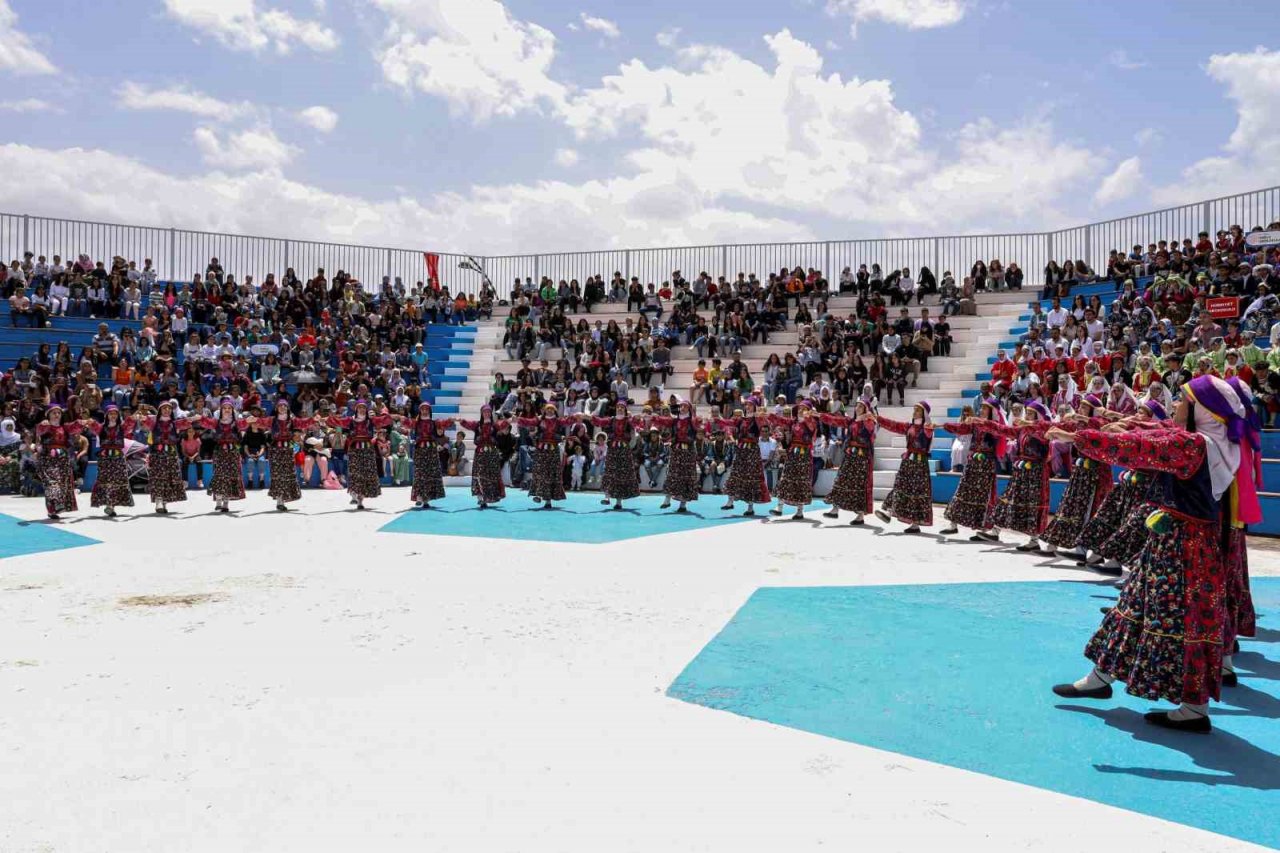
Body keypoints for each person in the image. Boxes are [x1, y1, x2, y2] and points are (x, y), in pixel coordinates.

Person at [1051, 376, 1251, 733]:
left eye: (1182, 401)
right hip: (1180, 544)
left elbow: (1140, 448)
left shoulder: (1193, 446)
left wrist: (1080, 438)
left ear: (1199, 411)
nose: (1175, 406)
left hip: (1181, 549)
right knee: (1137, 607)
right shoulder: (1213, 442)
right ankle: (1103, 676)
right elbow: (1153, 431)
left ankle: (1192, 707)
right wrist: (1108, 421)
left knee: (1174, 617)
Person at [975, 401, 1054, 552]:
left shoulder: (1044, 429)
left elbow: (1043, 431)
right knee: (1007, 499)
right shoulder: (1022, 430)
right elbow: (1003, 430)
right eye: (1028, 413)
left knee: (1033, 504)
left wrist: (1029, 424)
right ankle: (995, 531)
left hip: (1036, 472)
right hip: (1021, 471)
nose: (1028, 415)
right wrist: (985, 423)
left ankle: (1034, 539)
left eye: (1031, 413)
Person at [1039, 395, 1112, 557]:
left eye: (1085, 408)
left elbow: (1094, 429)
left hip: (1096, 474)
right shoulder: (1078, 424)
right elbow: (1059, 426)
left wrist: (1083, 420)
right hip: (1081, 473)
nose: (1080, 411)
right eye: (1081, 407)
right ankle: (1055, 541)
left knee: (1090, 509)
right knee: (1069, 506)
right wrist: (1051, 429)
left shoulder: (1102, 424)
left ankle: (1084, 548)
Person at [939, 399, 1003, 541]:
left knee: (984, 496)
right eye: (982, 408)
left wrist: (979, 421)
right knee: (963, 490)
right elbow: (961, 428)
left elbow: (995, 431)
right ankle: (953, 524)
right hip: (973, 462)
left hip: (986, 465)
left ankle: (987, 529)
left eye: (986, 408)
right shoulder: (976, 424)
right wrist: (943, 425)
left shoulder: (996, 425)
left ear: (992, 411)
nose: (982, 410)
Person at [874, 403, 935, 532]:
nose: (914, 412)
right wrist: (878, 418)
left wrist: (928, 427)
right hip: (907, 462)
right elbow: (893, 425)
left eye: (917, 410)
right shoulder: (909, 426)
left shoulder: (927, 428)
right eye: (914, 409)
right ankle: (889, 512)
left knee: (916, 491)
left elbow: (929, 440)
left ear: (924, 413)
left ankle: (915, 523)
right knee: (899, 486)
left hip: (920, 464)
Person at [326, 401, 393, 510]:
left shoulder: (371, 421)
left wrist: (384, 411)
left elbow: (386, 420)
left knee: (367, 473)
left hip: (367, 451)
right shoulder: (350, 421)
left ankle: (360, 498)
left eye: (363, 408)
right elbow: (336, 422)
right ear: (356, 409)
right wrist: (328, 417)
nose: (362, 410)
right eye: (359, 408)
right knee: (356, 474)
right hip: (355, 451)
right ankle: (357, 497)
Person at [821, 398, 877, 525]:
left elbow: (871, 436)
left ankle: (860, 515)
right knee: (841, 480)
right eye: (857, 406)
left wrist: (869, 418)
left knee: (858, 485)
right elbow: (835, 420)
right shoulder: (850, 421)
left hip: (861, 458)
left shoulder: (869, 423)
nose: (857, 408)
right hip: (850, 456)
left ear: (866, 409)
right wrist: (819, 415)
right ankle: (835, 509)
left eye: (861, 407)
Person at [715, 405, 771, 516]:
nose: (747, 407)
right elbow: (729, 423)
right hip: (741, 450)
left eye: (750, 406)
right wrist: (718, 420)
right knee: (735, 474)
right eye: (746, 406)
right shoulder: (741, 420)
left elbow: (766, 425)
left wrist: (760, 416)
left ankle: (750, 508)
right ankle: (730, 502)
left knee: (751, 478)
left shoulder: (757, 420)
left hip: (752, 451)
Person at [136, 401, 192, 514]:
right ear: (160, 410)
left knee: (169, 479)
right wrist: (141, 413)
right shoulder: (153, 423)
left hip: (171, 455)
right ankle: (158, 501)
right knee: (158, 479)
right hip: (158, 455)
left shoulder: (175, 423)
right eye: (164, 408)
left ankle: (164, 502)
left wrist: (195, 419)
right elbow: (142, 418)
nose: (167, 410)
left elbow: (189, 422)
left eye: (169, 408)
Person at [396, 402, 454, 509]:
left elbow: (444, 424)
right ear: (420, 411)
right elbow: (406, 422)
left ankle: (426, 499)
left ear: (429, 411)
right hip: (420, 450)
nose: (425, 411)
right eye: (422, 409)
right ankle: (419, 497)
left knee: (430, 474)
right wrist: (399, 417)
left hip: (431, 450)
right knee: (419, 473)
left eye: (427, 409)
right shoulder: (416, 423)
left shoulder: (434, 423)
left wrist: (451, 419)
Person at [770, 403, 820, 520]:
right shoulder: (793, 422)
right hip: (793, 453)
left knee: (801, 481)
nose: (800, 411)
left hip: (804, 454)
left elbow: (812, 428)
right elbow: (781, 420)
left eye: (804, 409)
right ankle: (779, 507)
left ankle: (800, 511)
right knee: (785, 478)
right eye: (799, 409)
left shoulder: (812, 422)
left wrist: (808, 416)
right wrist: (769, 415)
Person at [260, 400, 313, 511]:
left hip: (288, 450)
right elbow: (261, 421)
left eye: (285, 405)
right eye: (280, 405)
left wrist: (314, 419)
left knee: (288, 475)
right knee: (277, 475)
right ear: (276, 408)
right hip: (275, 450)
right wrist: (253, 419)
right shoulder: (272, 420)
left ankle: (284, 498)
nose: (282, 407)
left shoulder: (292, 420)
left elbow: (304, 423)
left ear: (288, 408)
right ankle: (280, 500)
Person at [650, 400, 702, 512]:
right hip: (677, 450)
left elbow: (699, 427)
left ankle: (683, 504)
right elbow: (663, 420)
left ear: (689, 409)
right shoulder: (675, 420)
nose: (682, 408)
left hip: (688, 451)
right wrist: (654, 417)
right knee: (672, 474)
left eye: (685, 406)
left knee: (687, 476)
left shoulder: (692, 421)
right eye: (681, 406)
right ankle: (667, 499)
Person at [516, 405, 572, 508]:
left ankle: (548, 500)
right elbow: (529, 421)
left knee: (551, 473)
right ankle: (538, 494)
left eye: (552, 409)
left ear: (554, 411)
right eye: (548, 409)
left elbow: (567, 421)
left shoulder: (557, 420)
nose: (549, 411)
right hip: (541, 450)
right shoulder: (539, 420)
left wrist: (576, 417)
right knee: (540, 471)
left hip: (552, 450)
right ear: (545, 410)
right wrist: (518, 419)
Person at [198, 399, 249, 513]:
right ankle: (218, 501)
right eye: (224, 408)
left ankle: (226, 502)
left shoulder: (236, 422)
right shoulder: (216, 422)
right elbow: (206, 422)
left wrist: (249, 420)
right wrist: (200, 418)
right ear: (221, 410)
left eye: (229, 408)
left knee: (231, 476)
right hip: (219, 451)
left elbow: (245, 424)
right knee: (220, 476)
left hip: (232, 452)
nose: (227, 410)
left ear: (232, 410)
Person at [84, 405, 134, 517]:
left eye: (115, 413)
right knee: (106, 480)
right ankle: (109, 504)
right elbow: (91, 426)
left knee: (117, 481)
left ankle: (111, 505)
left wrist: (134, 417)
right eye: (111, 413)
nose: (113, 416)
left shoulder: (122, 427)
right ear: (106, 415)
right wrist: (89, 421)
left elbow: (130, 423)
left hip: (118, 457)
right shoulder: (101, 427)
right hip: (105, 458)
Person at [35, 404, 83, 520]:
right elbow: (39, 431)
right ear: (48, 415)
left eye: (59, 413)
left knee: (63, 483)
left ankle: (53, 510)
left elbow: (76, 427)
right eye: (54, 413)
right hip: (48, 459)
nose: (56, 415)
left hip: (63, 460)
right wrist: (42, 424)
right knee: (52, 482)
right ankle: (54, 505)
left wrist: (82, 420)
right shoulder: (45, 426)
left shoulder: (65, 427)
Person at [590, 404, 641, 510]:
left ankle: (619, 502)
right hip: (613, 450)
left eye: (622, 407)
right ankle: (607, 497)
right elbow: (599, 421)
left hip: (624, 451)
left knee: (621, 475)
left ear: (625, 410)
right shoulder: (611, 420)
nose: (620, 409)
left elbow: (636, 424)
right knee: (609, 472)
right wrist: (588, 417)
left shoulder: (628, 421)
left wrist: (639, 417)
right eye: (618, 407)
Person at [458, 406, 508, 508]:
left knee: (491, 475)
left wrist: (511, 420)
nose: (486, 414)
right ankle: (480, 498)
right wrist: (461, 421)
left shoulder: (495, 425)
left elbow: (503, 424)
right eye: (484, 412)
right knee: (479, 474)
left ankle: (488, 497)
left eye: (488, 412)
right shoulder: (477, 425)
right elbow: (467, 424)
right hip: (480, 453)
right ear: (481, 413)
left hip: (491, 454)